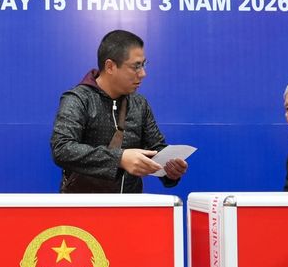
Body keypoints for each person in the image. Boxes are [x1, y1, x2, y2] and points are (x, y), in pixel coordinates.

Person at [50, 29, 187, 193]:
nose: (143, 74)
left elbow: (156, 149)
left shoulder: (139, 104)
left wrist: (169, 169)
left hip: (130, 209)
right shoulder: (78, 99)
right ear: (110, 66)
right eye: (136, 66)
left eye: (143, 64)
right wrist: (120, 158)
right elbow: (62, 148)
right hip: (83, 209)